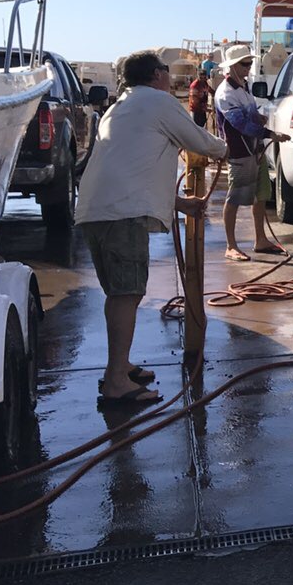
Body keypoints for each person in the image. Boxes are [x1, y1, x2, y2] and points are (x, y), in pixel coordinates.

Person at [76, 50, 228, 407]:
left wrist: (181, 204)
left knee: (120, 293)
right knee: (126, 294)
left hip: (97, 211)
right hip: (121, 215)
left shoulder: (120, 107)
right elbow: (200, 142)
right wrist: (230, 149)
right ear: (156, 75)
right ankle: (116, 381)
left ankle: (120, 367)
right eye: (165, 70)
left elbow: (132, 168)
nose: (169, 77)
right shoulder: (158, 102)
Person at [213, 43, 290, 261]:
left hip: (255, 149)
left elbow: (249, 116)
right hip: (240, 153)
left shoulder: (243, 87)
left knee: (261, 195)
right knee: (235, 197)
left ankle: (260, 239)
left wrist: (258, 118)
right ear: (232, 67)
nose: (248, 68)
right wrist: (270, 133)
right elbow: (239, 125)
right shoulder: (226, 93)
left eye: (249, 63)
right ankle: (231, 245)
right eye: (244, 64)